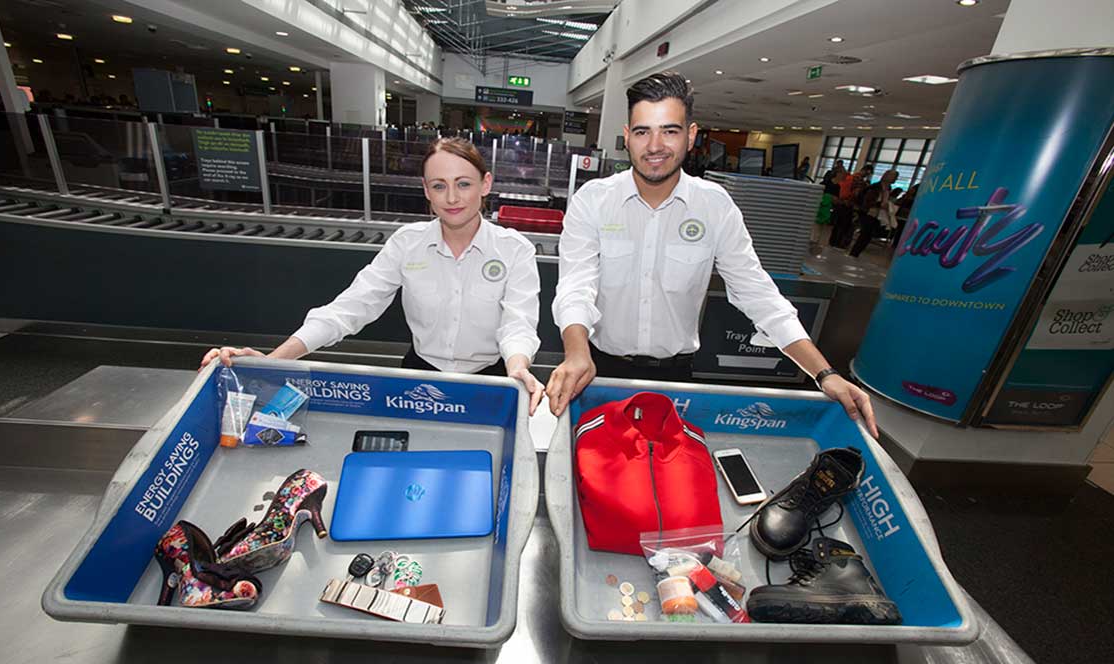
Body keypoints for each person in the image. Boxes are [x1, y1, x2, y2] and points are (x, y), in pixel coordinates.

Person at [544, 71, 877, 437]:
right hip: (598, 368)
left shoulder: (714, 205)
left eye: (669, 131)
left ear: (691, 135)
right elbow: (576, 286)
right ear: (627, 136)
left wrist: (824, 373)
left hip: (676, 376)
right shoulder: (594, 200)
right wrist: (576, 353)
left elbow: (758, 293)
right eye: (643, 132)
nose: (655, 145)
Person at [200, 137, 545, 414]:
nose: (452, 197)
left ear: (485, 184)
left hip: (494, 381)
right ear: (426, 190)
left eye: (463, 184)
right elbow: (352, 307)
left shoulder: (514, 249)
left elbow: (517, 323)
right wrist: (274, 361)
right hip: (420, 379)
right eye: (439, 186)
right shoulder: (407, 244)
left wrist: (517, 368)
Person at [850, 170, 899, 258]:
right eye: (893, 176)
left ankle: (856, 252)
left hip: (878, 214)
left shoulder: (888, 188)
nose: (895, 178)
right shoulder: (875, 187)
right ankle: (854, 252)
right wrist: (879, 204)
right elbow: (867, 201)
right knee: (865, 233)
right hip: (868, 212)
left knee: (868, 234)